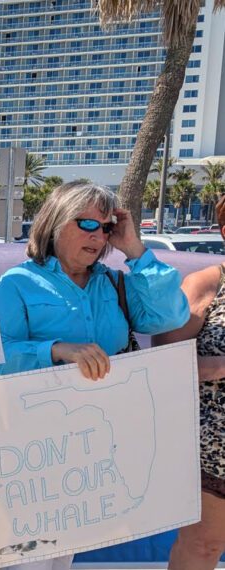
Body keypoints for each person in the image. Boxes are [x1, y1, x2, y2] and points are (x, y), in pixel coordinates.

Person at [0, 181, 189, 570]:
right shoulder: (16, 283)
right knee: (24, 561)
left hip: (96, 450)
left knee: (62, 557)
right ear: (55, 222)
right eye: (87, 225)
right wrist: (56, 350)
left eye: (106, 227)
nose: (98, 236)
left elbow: (172, 315)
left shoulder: (115, 284)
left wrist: (134, 248)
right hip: (32, 447)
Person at [153, 196, 225, 569]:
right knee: (202, 548)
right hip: (214, 457)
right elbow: (163, 364)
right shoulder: (205, 286)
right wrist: (219, 366)